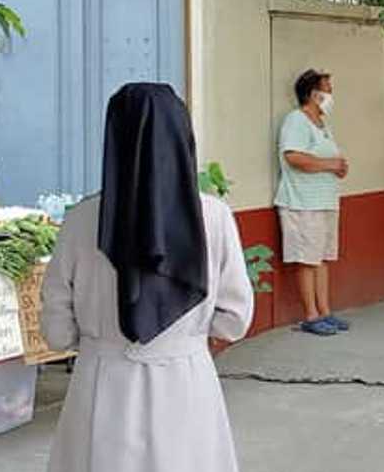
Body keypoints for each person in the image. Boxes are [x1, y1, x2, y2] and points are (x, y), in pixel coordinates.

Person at [40, 83, 254, 472]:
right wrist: (186, 338)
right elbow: (235, 319)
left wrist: (97, 341)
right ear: (181, 136)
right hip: (186, 382)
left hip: (101, 383)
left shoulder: (81, 219)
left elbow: (56, 328)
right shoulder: (215, 216)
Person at [275, 69, 350, 336]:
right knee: (307, 259)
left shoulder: (323, 125)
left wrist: (338, 167)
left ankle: (325, 311)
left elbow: (325, 158)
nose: (331, 95)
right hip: (302, 202)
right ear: (313, 94)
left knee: (322, 258)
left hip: (324, 201)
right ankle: (310, 314)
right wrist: (329, 164)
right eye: (327, 90)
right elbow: (294, 156)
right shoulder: (296, 120)